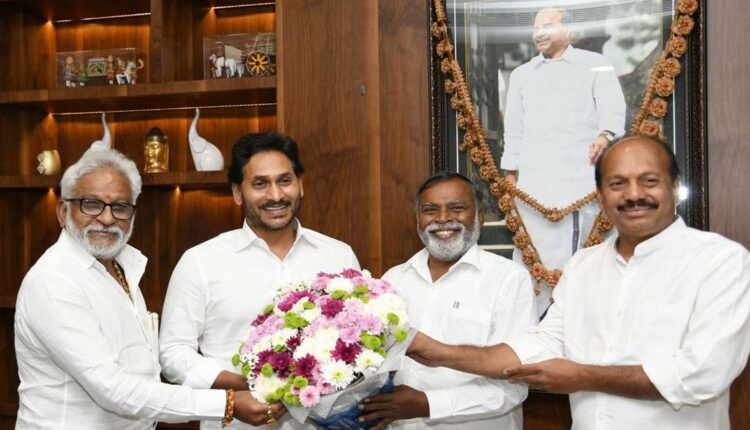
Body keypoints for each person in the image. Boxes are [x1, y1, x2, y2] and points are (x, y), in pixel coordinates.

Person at [408, 136, 750, 429]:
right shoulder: (584, 266)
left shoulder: (720, 261)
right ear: (600, 197)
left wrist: (584, 376)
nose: (633, 194)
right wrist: (436, 352)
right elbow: (543, 343)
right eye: (617, 184)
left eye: (649, 181)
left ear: (675, 188)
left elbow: (704, 373)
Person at [14, 148, 283, 429]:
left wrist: (241, 385)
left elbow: (141, 373)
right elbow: (112, 389)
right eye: (91, 204)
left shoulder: (122, 266)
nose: (107, 218)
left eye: (120, 207)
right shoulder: (53, 281)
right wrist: (227, 403)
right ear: (63, 211)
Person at [159, 133, 360, 429]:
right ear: (237, 193)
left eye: (285, 181)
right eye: (260, 184)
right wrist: (248, 384)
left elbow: (358, 340)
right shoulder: (200, 261)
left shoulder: (338, 255)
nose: (276, 195)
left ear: (300, 184)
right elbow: (173, 353)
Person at [357, 172, 537, 430]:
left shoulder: (508, 279)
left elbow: (514, 385)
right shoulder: (393, 279)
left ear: (480, 217)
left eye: (457, 208)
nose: (442, 218)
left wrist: (427, 403)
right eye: (430, 210)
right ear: (418, 219)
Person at [501, 7, 627, 314]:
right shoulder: (521, 75)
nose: (540, 33)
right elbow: (513, 129)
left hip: (580, 181)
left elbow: (613, 111)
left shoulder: (595, 64)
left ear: (568, 30)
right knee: (535, 253)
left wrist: (605, 136)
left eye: (548, 26)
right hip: (534, 184)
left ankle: (581, 318)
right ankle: (535, 323)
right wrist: (510, 174)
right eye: (536, 28)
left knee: (585, 253)